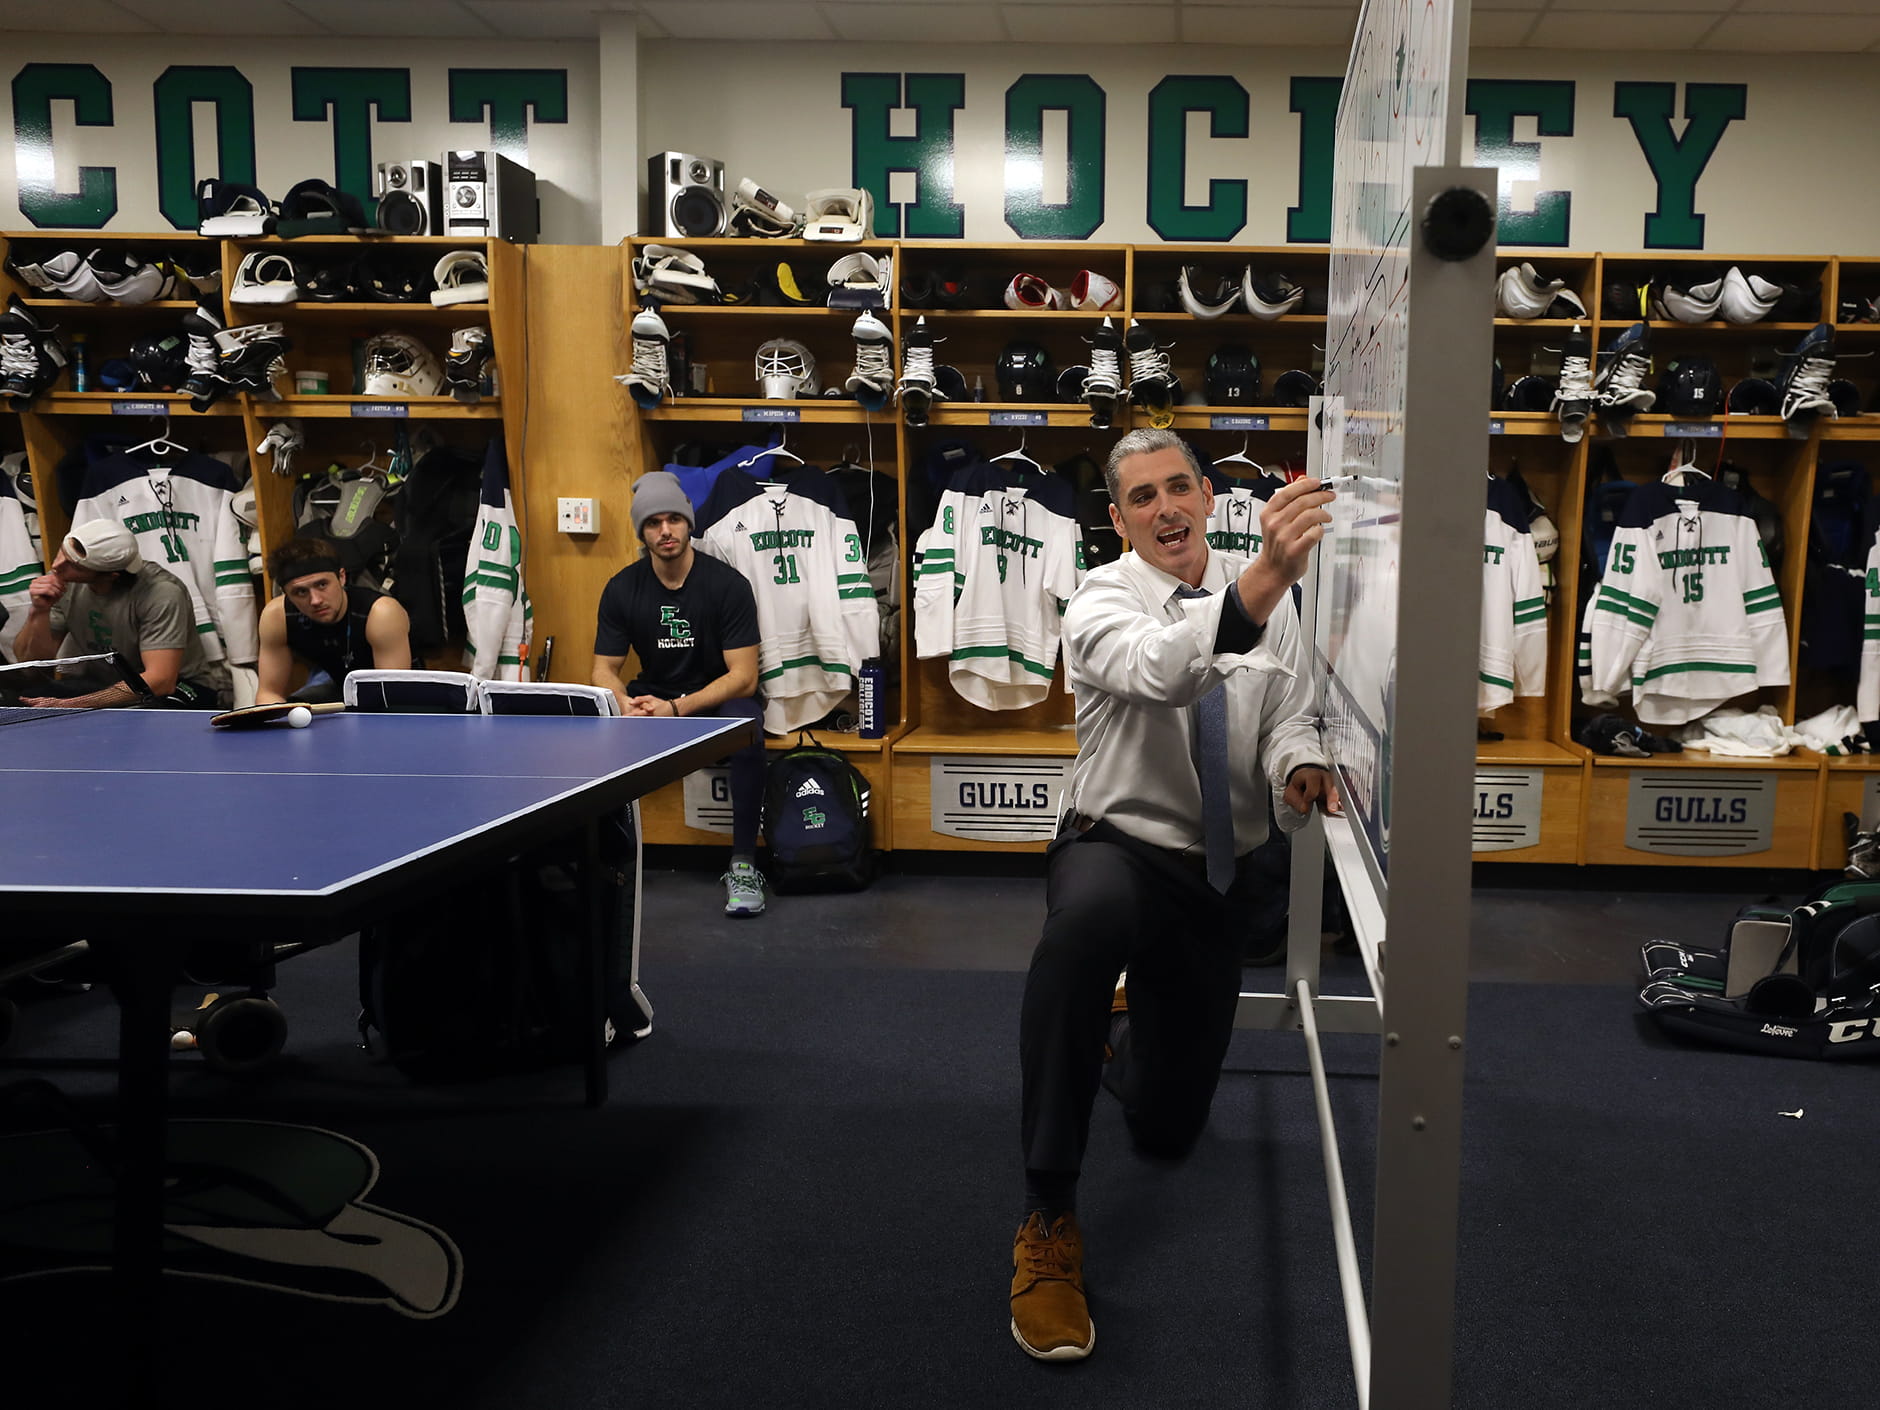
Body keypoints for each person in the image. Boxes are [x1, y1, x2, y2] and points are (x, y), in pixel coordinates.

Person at [1010, 428, 1343, 1362]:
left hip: (1217, 873)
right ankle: (1046, 1215)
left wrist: (1299, 763)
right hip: (1115, 844)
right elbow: (1166, 669)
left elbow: (1288, 713)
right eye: (1142, 497)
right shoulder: (1100, 599)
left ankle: (1121, 1026)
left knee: (1167, 1127)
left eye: (1177, 488)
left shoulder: (1267, 591)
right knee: (1085, 930)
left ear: (1206, 496)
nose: (1165, 508)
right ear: (1119, 521)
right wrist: (1265, 581)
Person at [592, 470, 769, 916]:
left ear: (689, 522)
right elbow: (603, 670)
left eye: (673, 519)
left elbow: (744, 676)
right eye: (653, 523)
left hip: (716, 694)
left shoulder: (727, 585)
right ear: (642, 531)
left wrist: (676, 709)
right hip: (656, 694)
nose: (665, 530)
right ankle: (609, 860)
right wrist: (622, 702)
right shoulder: (622, 589)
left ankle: (744, 863)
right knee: (601, 723)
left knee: (747, 723)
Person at [14, 519, 230, 708]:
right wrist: (38, 611)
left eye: (74, 566)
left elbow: (161, 680)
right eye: (62, 551)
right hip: (107, 682)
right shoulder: (65, 581)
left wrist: (71, 705)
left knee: (148, 716)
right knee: (27, 700)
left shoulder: (161, 592)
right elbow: (29, 663)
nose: (56, 565)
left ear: (111, 576)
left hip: (179, 686)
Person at [255, 537, 413, 704]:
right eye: (300, 592)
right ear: (285, 593)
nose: (315, 600)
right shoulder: (277, 616)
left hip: (400, 698)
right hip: (338, 687)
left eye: (322, 585)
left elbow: (393, 699)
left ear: (341, 577)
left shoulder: (380, 613)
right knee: (299, 704)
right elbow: (268, 693)